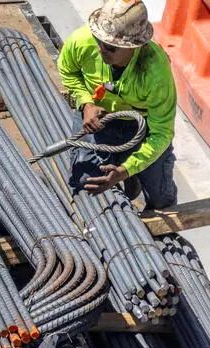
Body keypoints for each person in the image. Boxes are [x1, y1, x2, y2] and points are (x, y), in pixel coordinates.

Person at [57, 0, 177, 209]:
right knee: (86, 183)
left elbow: (162, 133)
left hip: (142, 127)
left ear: (133, 46)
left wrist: (126, 170)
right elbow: (68, 70)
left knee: (160, 200)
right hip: (99, 119)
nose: (100, 49)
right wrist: (86, 103)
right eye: (98, 40)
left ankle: (134, 177)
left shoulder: (155, 71)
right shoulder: (82, 41)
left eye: (110, 47)